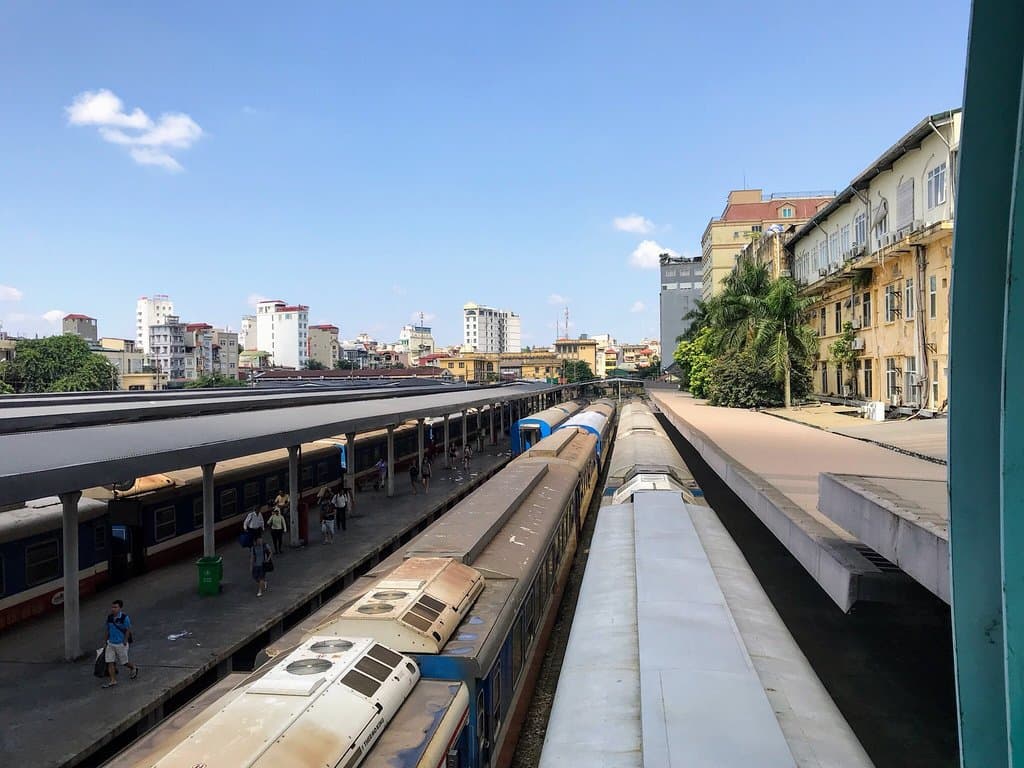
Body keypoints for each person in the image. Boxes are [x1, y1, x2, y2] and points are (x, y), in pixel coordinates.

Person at [102, 599, 138, 688]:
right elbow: (107, 630)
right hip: (111, 643)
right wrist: (105, 641)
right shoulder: (110, 618)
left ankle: (133, 667)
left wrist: (125, 640)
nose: (113, 609)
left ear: (120, 608)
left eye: (115, 607)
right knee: (110, 661)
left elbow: (127, 629)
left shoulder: (124, 618)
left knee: (124, 662)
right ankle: (113, 680)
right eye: (112, 607)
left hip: (120, 643)